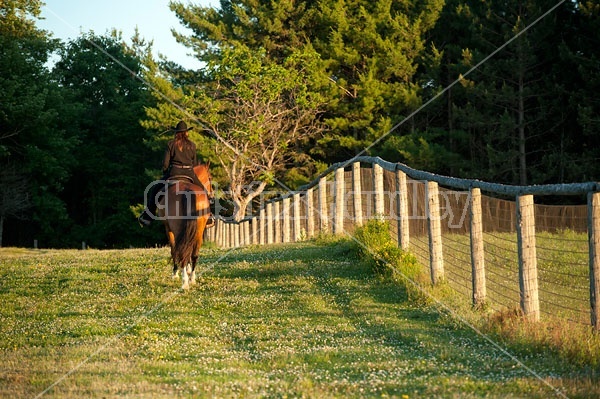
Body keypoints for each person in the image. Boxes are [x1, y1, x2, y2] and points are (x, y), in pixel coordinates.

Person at [138, 120, 214, 227]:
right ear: (186, 132)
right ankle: (209, 217)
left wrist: (165, 172)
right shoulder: (192, 145)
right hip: (190, 173)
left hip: (174, 173)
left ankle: (148, 217)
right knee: (205, 192)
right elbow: (195, 163)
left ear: (176, 133)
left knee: (154, 190)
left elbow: (165, 164)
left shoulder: (171, 144)